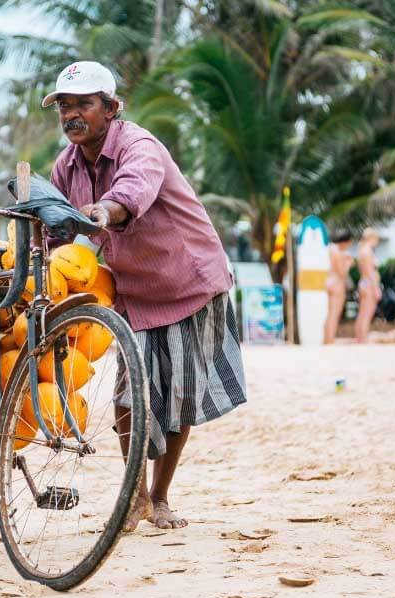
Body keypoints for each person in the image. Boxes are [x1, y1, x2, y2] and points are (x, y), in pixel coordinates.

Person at [43, 61, 247, 531]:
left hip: (187, 281)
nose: (72, 115)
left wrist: (104, 210)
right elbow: (51, 228)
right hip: (133, 289)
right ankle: (133, 496)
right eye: (64, 107)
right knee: (129, 394)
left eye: (84, 104)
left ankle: (159, 497)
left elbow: (133, 191)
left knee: (178, 398)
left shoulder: (139, 145)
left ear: (111, 108)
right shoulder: (66, 166)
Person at [323, 230, 354, 344]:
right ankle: (329, 339)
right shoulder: (338, 251)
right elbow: (342, 272)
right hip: (337, 283)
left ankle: (327, 338)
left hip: (328, 281)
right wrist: (348, 263)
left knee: (330, 312)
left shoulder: (330, 248)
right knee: (334, 313)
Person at [355, 228, 381, 343]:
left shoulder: (361, 250)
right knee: (367, 313)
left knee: (362, 312)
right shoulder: (368, 251)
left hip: (363, 282)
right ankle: (363, 339)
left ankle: (360, 337)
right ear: (372, 238)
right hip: (369, 283)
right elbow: (370, 272)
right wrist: (376, 288)